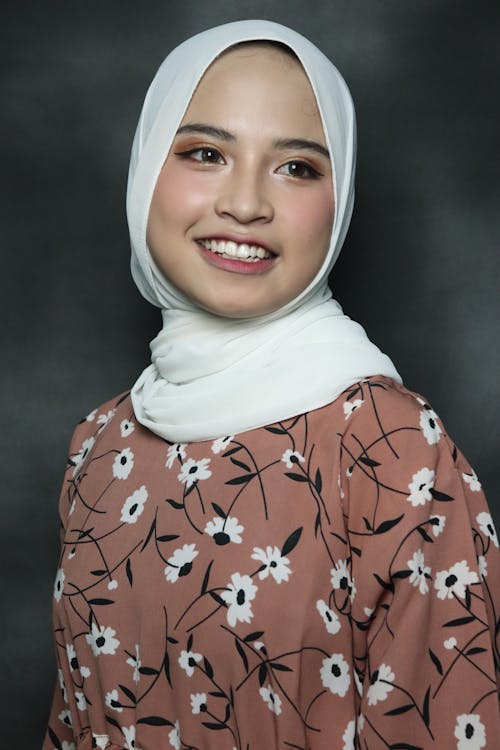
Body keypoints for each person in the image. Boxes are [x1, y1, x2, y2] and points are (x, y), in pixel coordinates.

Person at [43, 19, 500, 750]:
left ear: (340, 196)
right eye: (204, 153)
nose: (247, 203)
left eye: (296, 168)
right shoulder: (99, 445)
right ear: (145, 166)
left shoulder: (391, 448)